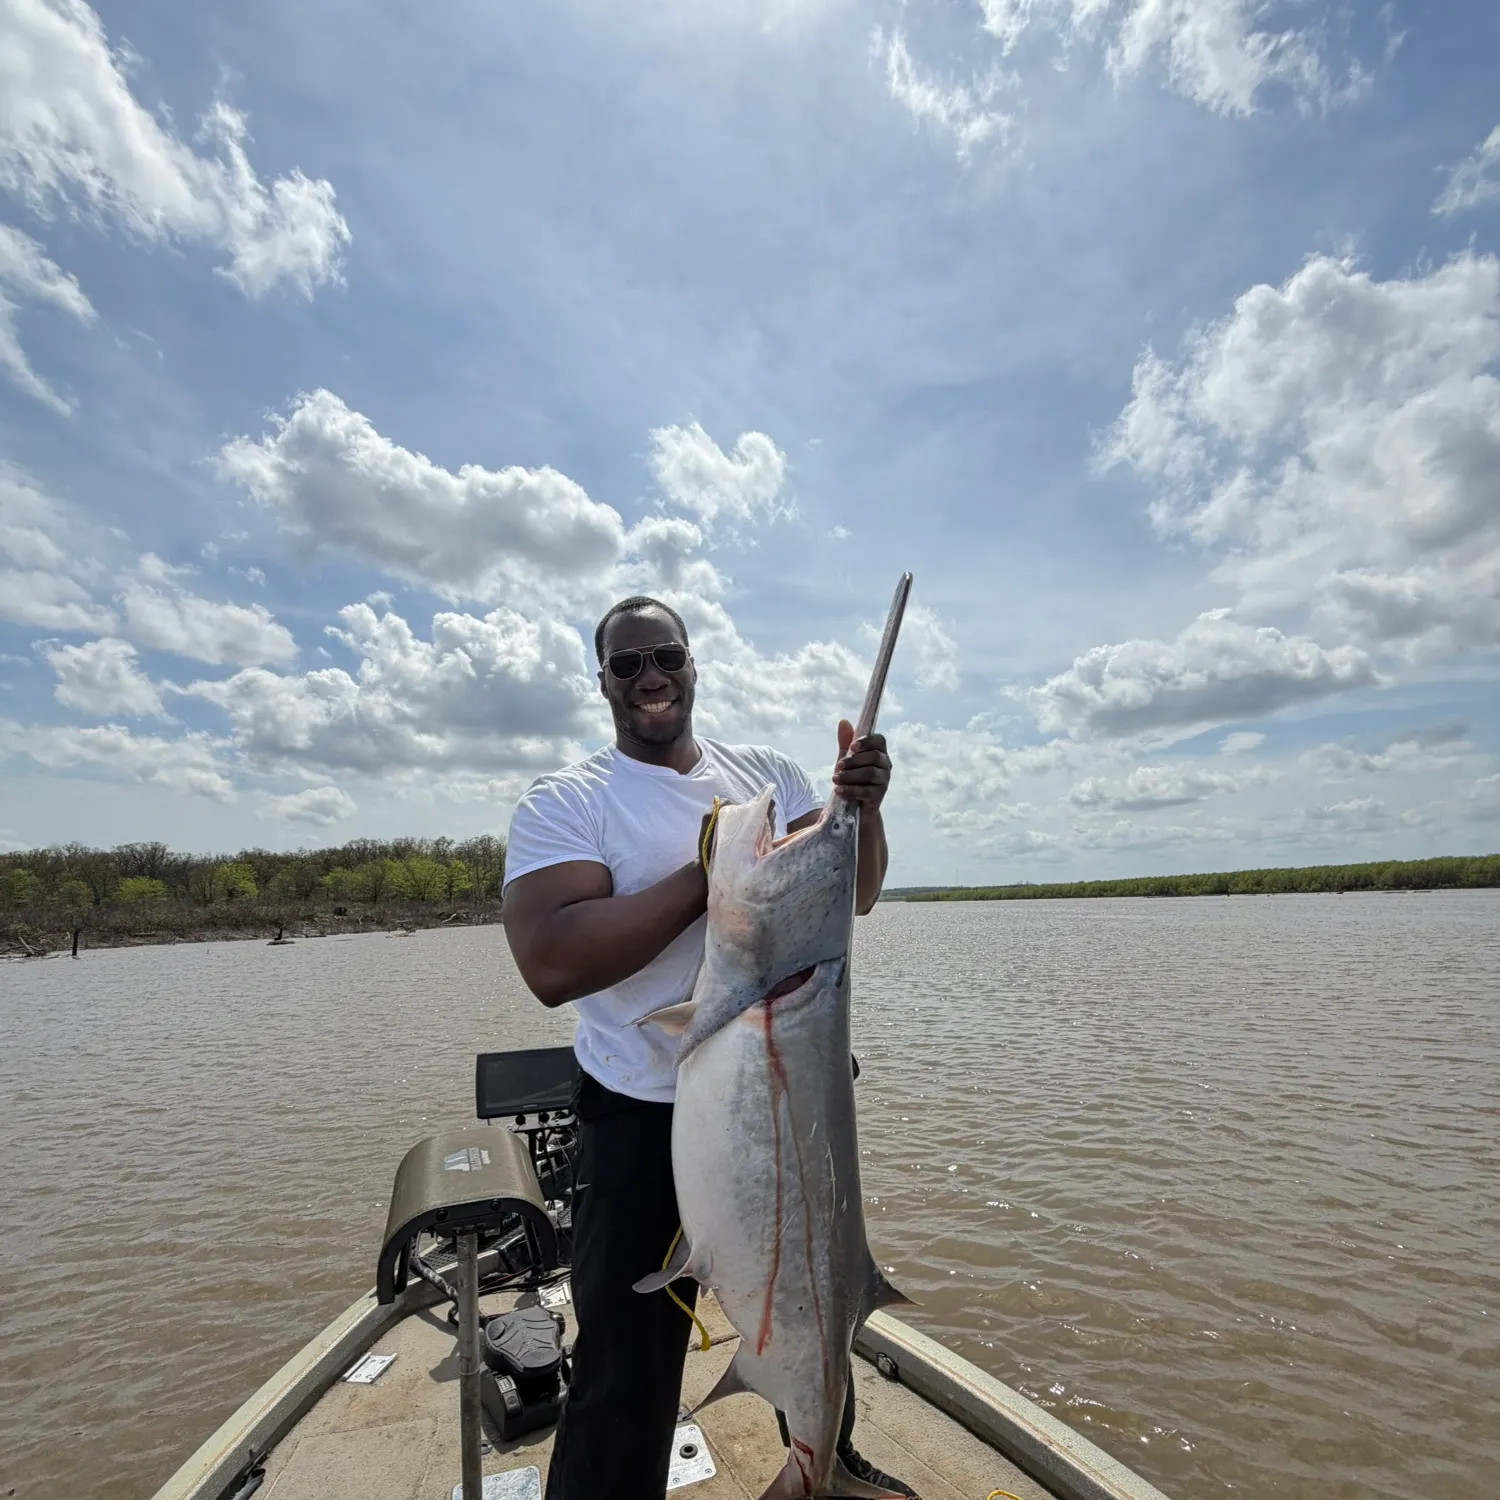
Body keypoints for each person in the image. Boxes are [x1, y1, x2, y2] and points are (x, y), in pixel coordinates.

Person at [502, 595, 917, 1500]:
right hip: (639, 1125)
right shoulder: (571, 801)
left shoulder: (763, 773)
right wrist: (715, 874)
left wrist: (861, 812)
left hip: (792, 1096)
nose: (651, 677)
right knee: (626, 1364)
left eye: (667, 657)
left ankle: (823, 1461)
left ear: (694, 665)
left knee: (818, 1285)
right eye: (626, 664)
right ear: (602, 682)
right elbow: (549, 960)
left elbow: (852, 894)